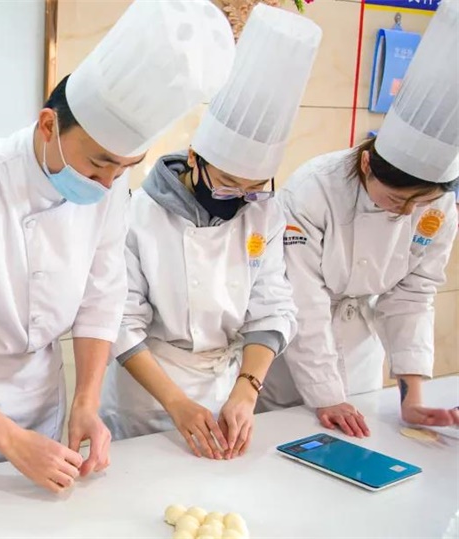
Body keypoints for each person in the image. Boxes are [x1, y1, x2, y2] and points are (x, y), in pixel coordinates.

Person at [0, 0, 236, 492]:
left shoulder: (110, 185)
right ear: (48, 125)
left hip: (45, 393)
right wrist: (11, 440)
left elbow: (101, 297)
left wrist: (86, 402)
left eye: (124, 168)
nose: (108, 183)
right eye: (99, 164)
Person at [99, 4, 318, 460]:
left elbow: (273, 306)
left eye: (253, 188)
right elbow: (119, 321)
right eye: (227, 183)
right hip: (148, 396)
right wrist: (176, 403)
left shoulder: (263, 212)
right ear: (195, 159)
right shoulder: (140, 213)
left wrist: (247, 390)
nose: (239, 198)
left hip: (225, 386)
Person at [272, 0, 459, 437]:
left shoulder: (439, 205)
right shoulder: (314, 188)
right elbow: (303, 300)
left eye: (420, 203)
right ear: (366, 165)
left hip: (360, 352)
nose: (407, 212)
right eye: (397, 200)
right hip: (295, 357)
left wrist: (412, 395)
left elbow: (413, 294)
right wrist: (325, 394)